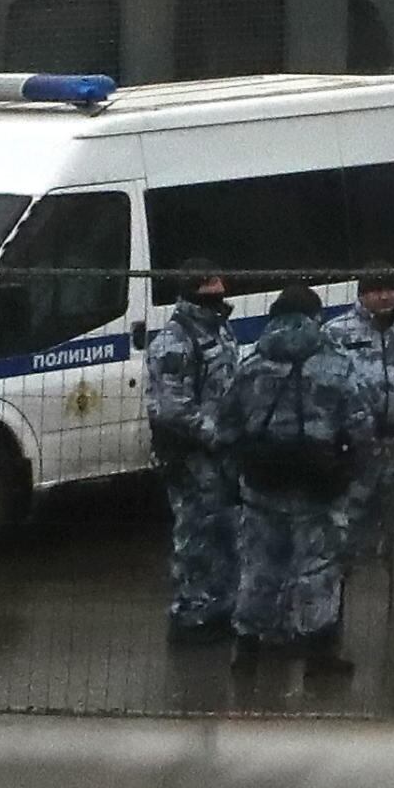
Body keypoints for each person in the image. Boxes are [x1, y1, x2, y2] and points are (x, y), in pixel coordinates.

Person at [214, 282, 384, 679]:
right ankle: (318, 656)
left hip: (262, 484)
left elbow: (225, 429)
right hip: (317, 485)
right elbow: (362, 429)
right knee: (318, 568)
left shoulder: (251, 365)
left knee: (259, 568)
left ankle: (248, 650)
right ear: (315, 317)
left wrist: (233, 479)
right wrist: (353, 478)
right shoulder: (337, 364)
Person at [142, 272, 237, 644]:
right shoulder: (174, 341)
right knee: (195, 534)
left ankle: (218, 608)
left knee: (224, 532)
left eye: (220, 293)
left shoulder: (219, 329)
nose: (217, 300)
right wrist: (214, 433)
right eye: (208, 295)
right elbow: (171, 408)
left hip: (220, 454)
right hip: (190, 454)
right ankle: (190, 616)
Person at [324, 272, 394, 579]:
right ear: (361, 295)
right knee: (344, 531)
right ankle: (333, 602)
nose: (384, 297)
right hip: (357, 451)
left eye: (390, 290)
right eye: (375, 291)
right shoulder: (336, 332)